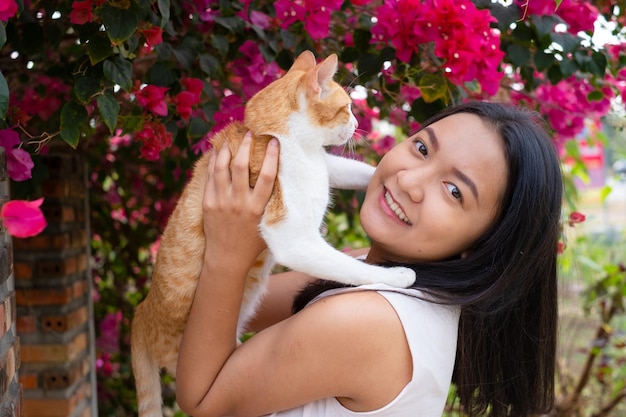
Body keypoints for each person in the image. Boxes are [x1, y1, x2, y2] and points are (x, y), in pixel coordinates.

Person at [175, 101, 563, 417]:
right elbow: (241, 308)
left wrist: (227, 255)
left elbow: (205, 400)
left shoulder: (369, 321)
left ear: (482, 245)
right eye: (422, 148)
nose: (409, 181)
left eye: (453, 191)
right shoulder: (388, 278)